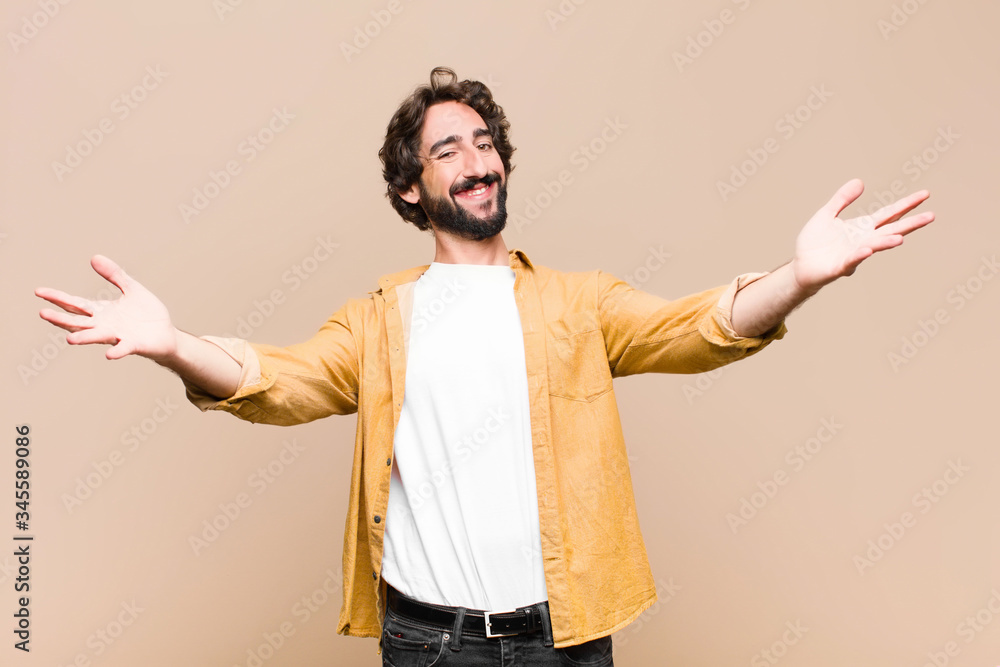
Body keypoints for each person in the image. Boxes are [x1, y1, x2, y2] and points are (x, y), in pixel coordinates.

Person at [35, 67, 934, 666]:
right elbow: (282, 379)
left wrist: (798, 279)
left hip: (566, 641)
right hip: (428, 643)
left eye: (484, 143)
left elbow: (695, 327)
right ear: (410, 188)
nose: (475, 162)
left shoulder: (578, 304)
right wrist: (172, 343)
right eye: (447, 150)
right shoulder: (381, 323)